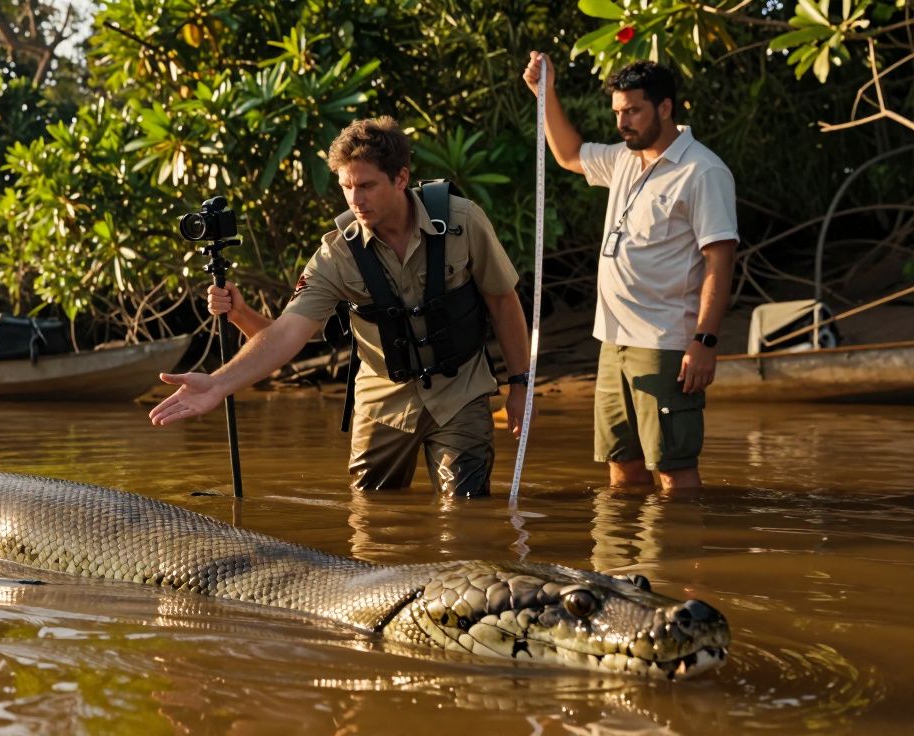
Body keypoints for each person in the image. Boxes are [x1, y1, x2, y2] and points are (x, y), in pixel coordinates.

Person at [150, 116, 533, 498]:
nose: (355, 199)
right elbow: (287, 332)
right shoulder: (335, 254)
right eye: (346, 186)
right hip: (382, 399)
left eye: (366, 185)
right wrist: (218, 383)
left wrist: (519, 385)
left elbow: (502, 301)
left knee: (466, 516)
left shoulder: (462, 221)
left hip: (461, 390)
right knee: (372, 518)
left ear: (401, 178)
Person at [522, 54, 738, 490]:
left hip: (665, 344)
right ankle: (621, 559)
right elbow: (566, 155)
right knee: (621, 466)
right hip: (613, 341)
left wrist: (704, 342)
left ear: (664, 107)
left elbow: (721, 260)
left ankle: (679, 554)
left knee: (674, 471)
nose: (623, 122)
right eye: (618, 112)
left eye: (633, 111)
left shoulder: (703, 170)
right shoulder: (622, 158)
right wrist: (545, 92)